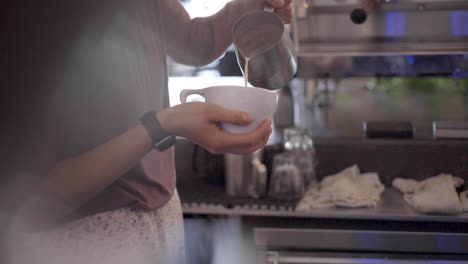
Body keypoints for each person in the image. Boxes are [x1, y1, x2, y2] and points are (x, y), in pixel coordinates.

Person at [0, 0, 292, 263]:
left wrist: (244, 9)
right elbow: (31, 195)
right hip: (84, 236)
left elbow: (191, 40)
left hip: (161, 215)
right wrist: (162, 126)